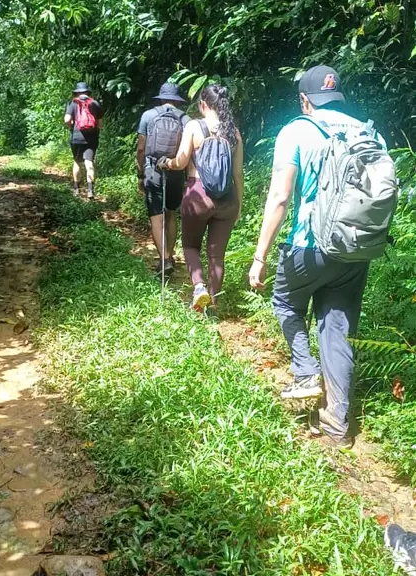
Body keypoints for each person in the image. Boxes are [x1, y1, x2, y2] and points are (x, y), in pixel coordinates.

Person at [248, 64, 387, 446]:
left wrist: (259, 256)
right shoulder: (368, 133)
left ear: (305, 99)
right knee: (338, 330)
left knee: (284, 302)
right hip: (357, 250)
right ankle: (337, 425)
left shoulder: (297, 130)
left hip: (309, 246)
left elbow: (279, 197)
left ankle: (305, 372)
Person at [160, 84, 243, 312]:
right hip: (227, 199)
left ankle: (199, 288)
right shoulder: (234, 132)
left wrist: (167, 163)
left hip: (198, 194)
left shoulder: (195, 127)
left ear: (203, 105)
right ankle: (214, 301)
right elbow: (237, 174)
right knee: (217, 255)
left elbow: (181, 161)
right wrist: (239, 205)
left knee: (190, 246)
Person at [137, 82, 190, 276]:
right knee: (171, 213)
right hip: (175, 171)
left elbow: (141, 148)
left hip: (153, 171)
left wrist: (141, 174)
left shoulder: (148, 116)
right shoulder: (186, 119)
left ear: (160, 97)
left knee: (156, 216)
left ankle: (164, 259)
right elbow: (189, 153)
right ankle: (170, 254)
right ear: (178, 99)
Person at [64, 82, 104, 198]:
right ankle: (90, 190)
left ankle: (76, 189)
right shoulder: (95, 103)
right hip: (91, 138)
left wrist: (72, 126)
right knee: (89, 162)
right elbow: (100, 124)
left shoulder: (73, 103)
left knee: (77, 161)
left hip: (76, 137)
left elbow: (67, 119)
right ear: (87, 92)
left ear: (77, 92)